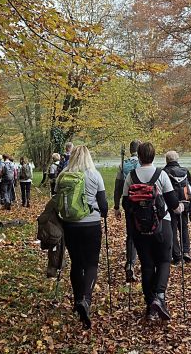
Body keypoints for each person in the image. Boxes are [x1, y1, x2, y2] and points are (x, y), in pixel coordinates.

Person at [122, 142, 183, 321]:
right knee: (164, 260)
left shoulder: (131, 176)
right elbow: (172, 203)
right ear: (153, 156)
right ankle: (160, 296)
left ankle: (150, 305)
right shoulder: (161, 175)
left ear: (139, 157)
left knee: (147, 265)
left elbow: (126, 204)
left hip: (139, 228)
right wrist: (179, 207)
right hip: (162, 225)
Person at [56, 145, 108, 329]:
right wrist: (104, 213)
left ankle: (77, 299)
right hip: (91, 224)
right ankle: (86, 299)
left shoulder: (63, 175)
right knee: (92, 263)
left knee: (77, 263)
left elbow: (56, 198)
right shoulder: (95, 175)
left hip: (70, 225)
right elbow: (103, 205)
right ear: (88, 157)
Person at [164, 151, 191, 265]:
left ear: (167, 160)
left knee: (172, 229)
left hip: (171, 205)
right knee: (183, 228)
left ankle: (177, 256)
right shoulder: (185, 170)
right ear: (177, 159)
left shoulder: (164, 172)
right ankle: (186, 252)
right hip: (185, 203)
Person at [114, 140, 140, 282]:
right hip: (144, 202)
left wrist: (116, 206)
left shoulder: (123, 164)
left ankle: (130, 263)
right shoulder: (144, 163)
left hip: (128, 202)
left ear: (130, 150)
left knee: (131, 234)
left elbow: (118, 186)